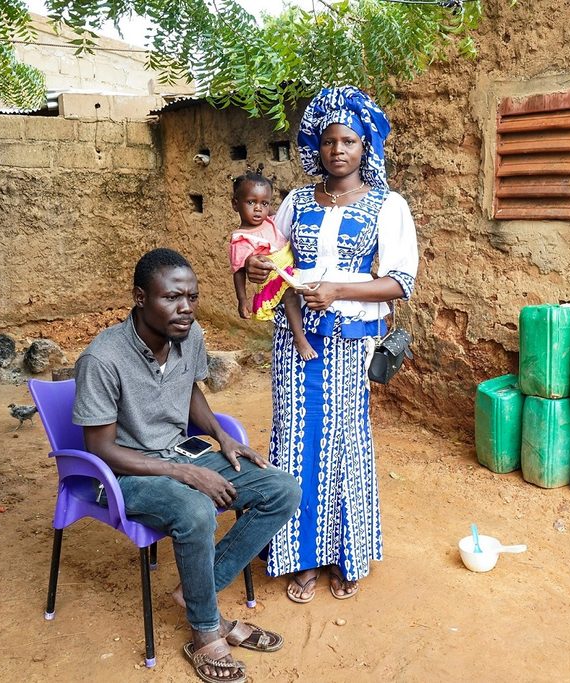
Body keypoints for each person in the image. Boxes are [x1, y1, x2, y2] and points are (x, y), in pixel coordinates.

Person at [72, 248, 300, 683]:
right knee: (195, 511)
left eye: (192, 298)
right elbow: (100, 448)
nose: (186, 309)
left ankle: (198, 590)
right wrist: (183, 473)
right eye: (172, 298)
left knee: (282, 489)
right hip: (125, 472)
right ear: (140, 298)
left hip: (181, 451)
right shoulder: (102, 358)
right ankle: (206, 632)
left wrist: (221, 433)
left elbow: (189, 390)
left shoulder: (188, 336)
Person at [245, 86, 418, 603]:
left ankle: (347, 554)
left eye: (348, 140)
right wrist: (257, 266)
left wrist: (339, 289)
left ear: (365, 147)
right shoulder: (296, 202)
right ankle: (300, 558)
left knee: (344, 443)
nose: (337, 150)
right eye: (328, 141)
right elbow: (269, 259)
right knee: (296, 443)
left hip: (347, 341)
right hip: (294, 342)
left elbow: (401, 282)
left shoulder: (389, 206)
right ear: (316, 148)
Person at [228, 167, 317, 361]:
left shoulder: (270, 221)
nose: (258, 208)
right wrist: (242, 300)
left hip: (290, 266)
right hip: (275, 275)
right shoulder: (241, 238)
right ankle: (299, 339)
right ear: (235, 204)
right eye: (251, 202)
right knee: (290, 296)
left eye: (264, 203)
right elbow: (238, 271)